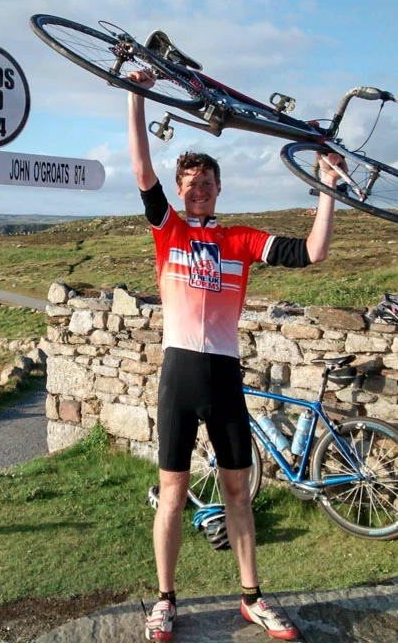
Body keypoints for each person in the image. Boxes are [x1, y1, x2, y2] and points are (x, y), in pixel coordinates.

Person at [128, 70, 344, 642]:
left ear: (219, 190)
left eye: (207, 182)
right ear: (180, 190)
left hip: (222, 375)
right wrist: (137, 94)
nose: (198, 189)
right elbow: (143, 171)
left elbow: (314, 252)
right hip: (178, 374)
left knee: (236, 492)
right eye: (190, 181)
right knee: (171, 495)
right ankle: (165, 599)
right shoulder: (167, 230)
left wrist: (327, 187)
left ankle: (252, 597)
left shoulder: (240, 240)